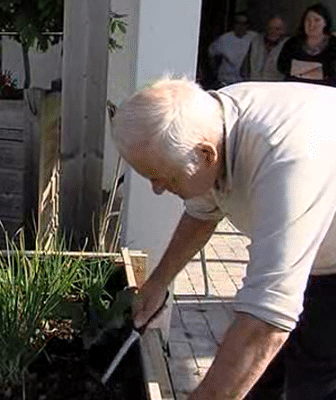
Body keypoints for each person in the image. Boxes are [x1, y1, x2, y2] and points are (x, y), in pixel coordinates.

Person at [112, 76, 336, 400]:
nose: (157, 189)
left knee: (312, 382)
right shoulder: (209, 122)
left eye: (163, 179)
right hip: (314, 250)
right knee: (256, 374)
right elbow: (202, 213)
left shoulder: (285, 163)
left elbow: (267, 318)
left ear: (205, 155)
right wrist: (158, 283)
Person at [277, 2, 336, 86]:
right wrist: (317, 70)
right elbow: (282, 67)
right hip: (296, 91)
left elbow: (332, 71)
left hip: (324, 93)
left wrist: (299, 69)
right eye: (308, 20)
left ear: (325, 23)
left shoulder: (334, 44)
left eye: (317, 20)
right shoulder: (292, 43)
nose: (311, 24)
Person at [208, 12, 260, 87]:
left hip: (245, 83)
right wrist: (214, 73)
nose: (241, 26)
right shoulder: (224, 39)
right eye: (238, 23)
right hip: (226, 81)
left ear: (248, 25)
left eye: (244, 23)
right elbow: (211, 54)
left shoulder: (255, 38)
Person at [249, 15, 289, 81]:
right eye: (271, 28)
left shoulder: (288, 45)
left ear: (284, 30)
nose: (273, 32)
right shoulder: (255, 42)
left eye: (277, 29)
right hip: (254, 86)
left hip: (276, 87)